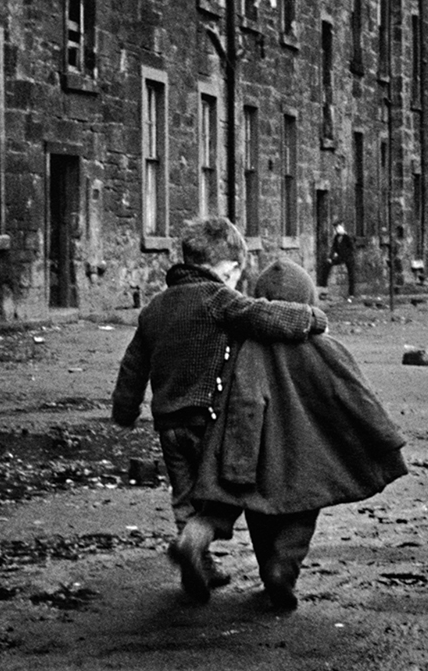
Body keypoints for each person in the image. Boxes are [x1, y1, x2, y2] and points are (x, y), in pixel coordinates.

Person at [110, 218, 328, 602]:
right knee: (219, 499)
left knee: (186, 496)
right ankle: (197, 547)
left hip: (169, 424)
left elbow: (133, 366)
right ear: (228, 267)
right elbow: (265, 316)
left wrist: (126, 410)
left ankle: (198, 562)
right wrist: (312, 318)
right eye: (236, 274)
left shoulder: (155, 308)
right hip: (211, 419)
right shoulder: (219, 299)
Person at [187, 257, 408, 610]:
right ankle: (282, 570)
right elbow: (354, 394)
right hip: (308, 455)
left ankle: (242, 558)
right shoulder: (325, 348)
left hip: (258, 450)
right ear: (308, 300)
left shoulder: (247, 346)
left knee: (259, 511)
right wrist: (384, 436)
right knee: (301, 518)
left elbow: (233, 393)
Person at [324, 219, 356, 296]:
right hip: (341, 257)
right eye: (336, 228)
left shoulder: (348, 237)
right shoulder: (336, 237)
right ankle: (324, 286)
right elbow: (333, 248)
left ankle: (351, 293)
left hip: (349, 258)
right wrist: (330, 257)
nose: (337, 230)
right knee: (327, 264)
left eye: (338, 228)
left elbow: (352, 248)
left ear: (342, 227)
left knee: (351, 274)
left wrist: (347, 235)